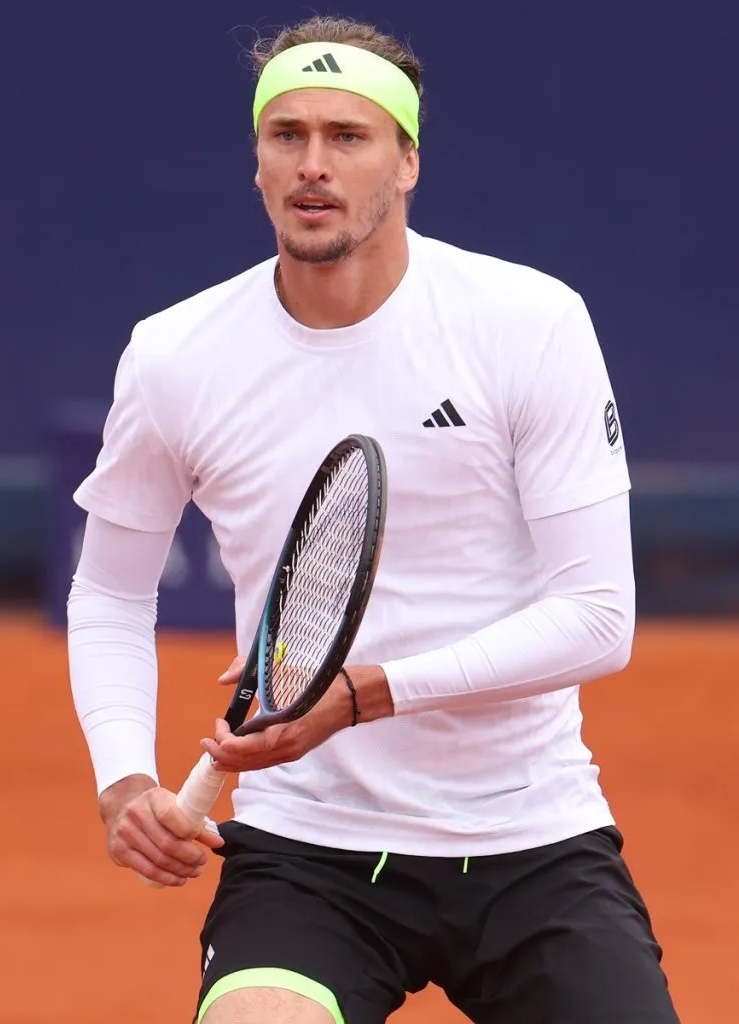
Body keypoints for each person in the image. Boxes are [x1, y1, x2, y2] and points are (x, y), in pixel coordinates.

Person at [67, 14, 681, 1024]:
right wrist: (122, 778)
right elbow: (109, 591)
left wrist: (362, 695)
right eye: (288, 135)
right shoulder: (176, 355)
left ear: (407, 164)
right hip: (308, 853)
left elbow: (598, 618)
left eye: (347, 137)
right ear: (258, 163)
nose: (313, 164)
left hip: (531, 835)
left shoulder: (527, 322)